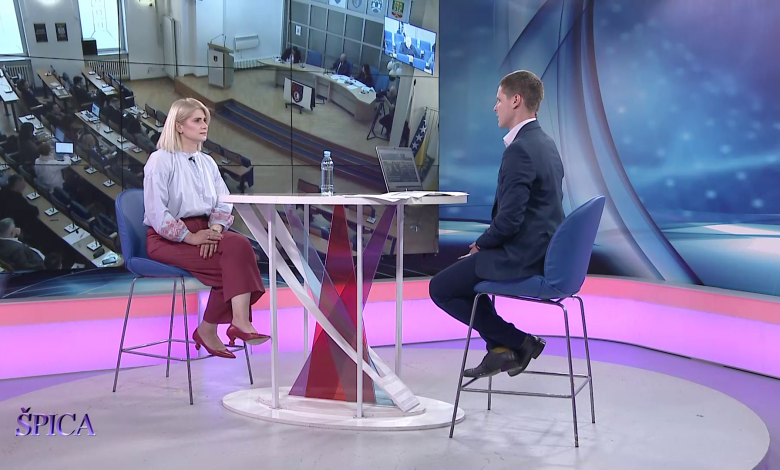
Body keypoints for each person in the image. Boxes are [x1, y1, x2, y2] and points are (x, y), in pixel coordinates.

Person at [429, 70, 564, 378]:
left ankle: (519, 342)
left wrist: (481, 244)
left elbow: (510, 220)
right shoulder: (545, 143)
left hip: (524, 256)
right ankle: (502, 350)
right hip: (541, 251)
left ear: (516, 100)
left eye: (499, 100)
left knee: (441, 288)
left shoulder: (520, 150)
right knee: (463, 278)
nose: (495, 107)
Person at [143, 98, 270, 358]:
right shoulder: (160, 160)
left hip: (207, 230)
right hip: (167, 238)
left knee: (240, 246)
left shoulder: (207, 162)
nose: (204, 125)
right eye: (197, 120)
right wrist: (190, 237)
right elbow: (156, 212)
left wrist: (215, 230)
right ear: (179, 126)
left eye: (205, 120)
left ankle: (228, 324)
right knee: (234, 266)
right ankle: (222, 326)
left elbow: (224, 201)